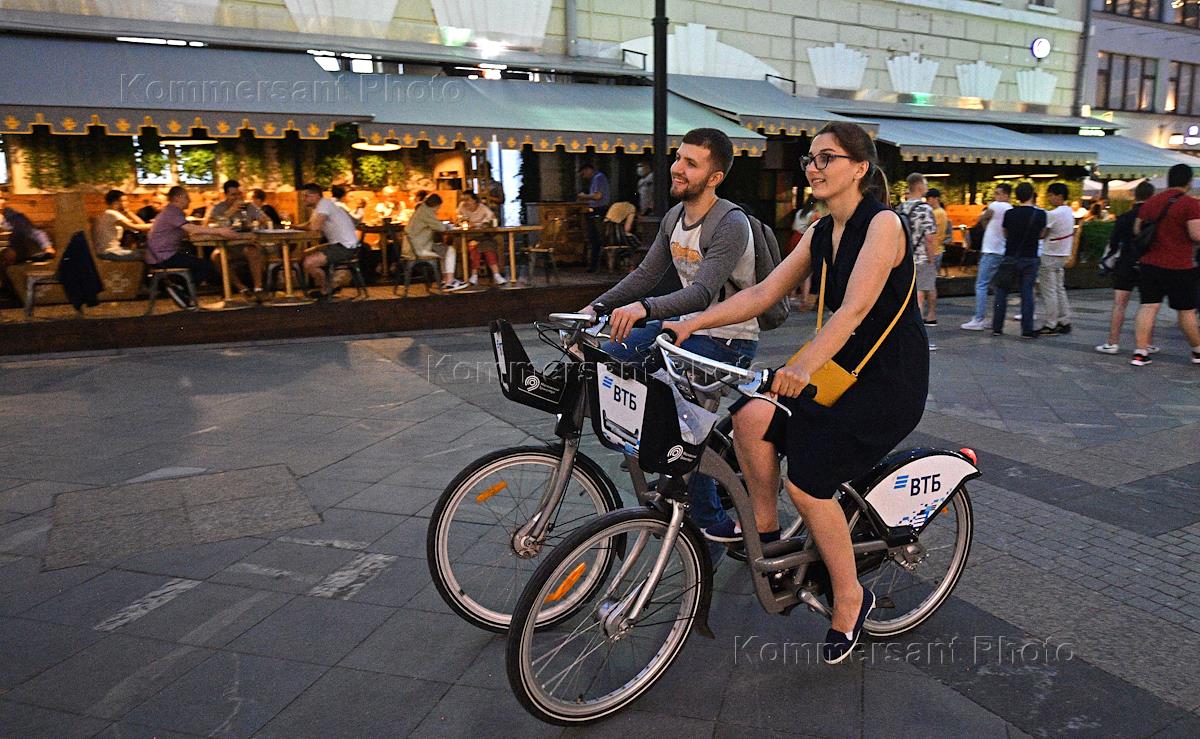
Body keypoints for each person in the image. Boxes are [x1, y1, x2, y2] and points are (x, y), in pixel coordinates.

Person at [666, 121, 927, 663]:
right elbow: (764, 292)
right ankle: (768, 538)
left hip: (888, 378)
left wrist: (802, 366)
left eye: (826, 158)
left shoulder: (883, 225)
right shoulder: (822, 229)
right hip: (838, 366)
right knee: (751, 418)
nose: (814, 167)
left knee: (808, 485)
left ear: (860, 167)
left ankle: (850, 597)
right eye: (810, 158)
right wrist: (694, 322)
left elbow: (854, 310)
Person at [579, 127, 761, 560]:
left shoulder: (730, 223)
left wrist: (644, 308)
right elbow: (646, 274)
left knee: (682, 427)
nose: (678, 168)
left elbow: (701, 293)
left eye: (691, 163)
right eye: (679, 157)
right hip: (684, 328)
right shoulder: (675, 217)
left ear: (714, 177)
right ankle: (658, 455)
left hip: (728, 338)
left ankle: (712, 522)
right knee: (603, 356)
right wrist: (596, 307)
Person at [1130, 163, 1200, 367]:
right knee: (1185, 310)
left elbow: (1137, 230)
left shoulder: (1150, 202)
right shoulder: (1190, 204)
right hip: (1179, 265)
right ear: (1189, 182)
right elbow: (1196, 234)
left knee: (1148, 306)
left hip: (1149, 263)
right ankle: (1197, 350)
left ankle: (1140, 352)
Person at [144, 185, 232, 308]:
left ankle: (181, 290)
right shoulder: (172, 212)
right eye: (186, 197)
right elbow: (191, 229)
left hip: (159, 256)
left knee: (198, 263)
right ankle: (182, 290)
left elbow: (187, 231)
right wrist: (220, 231)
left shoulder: (171, 212)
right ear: (177, 198)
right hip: (162, 258)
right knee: (207, 266)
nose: (189, 200)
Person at [1097, 181, 1157, 355]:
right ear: (1152, 196)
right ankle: (1147, 343)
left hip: (1125, 263)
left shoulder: (1124, 217)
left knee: (1119, 304)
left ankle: (1113, 342)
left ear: (1134, 195)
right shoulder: (1154, 218)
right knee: (1148, 306)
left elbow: (1113, 243)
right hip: (1148, 264)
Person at [992, 182, 1046, 338]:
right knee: (1027, 292)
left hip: (1010, 256)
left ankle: (997, 327)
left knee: (1001, 292)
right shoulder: (1040, 214)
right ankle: (1027, 329)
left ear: (1016, 196)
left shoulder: (1010, 213)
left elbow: (1005, 233)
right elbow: (1042, 234)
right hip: (1030, 257)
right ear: (1032, 195)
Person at [960, 183, 1012, 330]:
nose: (995, 196)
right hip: (1002, 251)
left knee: (981, 284)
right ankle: (995, 319)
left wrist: (985, 224)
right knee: (997, 287)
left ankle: (979, 318)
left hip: (990, 250)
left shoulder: (996, 206)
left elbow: (982, 218)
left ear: (1005, 195)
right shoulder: (1010, 209)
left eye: (998, 193)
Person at [298, 182, 362, 299]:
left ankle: (326, 289)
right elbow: (310, 224)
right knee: (304, 255)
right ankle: (330, 286)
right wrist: (293, 226)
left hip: (345, 247)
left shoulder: (324, 205)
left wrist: (293, 227)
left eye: (306, 196)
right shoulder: (323, 206)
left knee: (309, 262)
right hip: (342, 245)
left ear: (316, 196)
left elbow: (314, 227)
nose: (304, 199)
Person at [206, 180, 267, 299]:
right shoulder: (219, 208)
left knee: (252, 251)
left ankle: (258, 288)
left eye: (239, 194)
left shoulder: (249, 206)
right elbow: (209, 224)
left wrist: (256, 223)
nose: (237, 197)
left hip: (247, 243)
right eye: (233, 195)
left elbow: (266, 220)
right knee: (216, 256)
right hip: (227, 246)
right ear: (226, 195)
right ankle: (241, 288)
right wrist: (231, 211)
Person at [898, 173, 939, 350]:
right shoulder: (925, 209)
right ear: (920, 186)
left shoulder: (900, 208)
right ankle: (917, 341)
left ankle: (905, 338)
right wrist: (932, 260)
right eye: (926, 183)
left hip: (903, 259)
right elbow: (929, 238)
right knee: (919, 297)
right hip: (922, 258)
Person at [1036, 183, 1078, 336]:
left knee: (1049, 290)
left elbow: (1042, 234)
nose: (1049, 198)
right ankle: (1064, 320)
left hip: (1050, 254)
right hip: (1063, 253)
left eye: (1051, 195)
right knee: (1059, 288)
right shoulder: (1069, 212)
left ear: (1059, 196)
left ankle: (1051, 324)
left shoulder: (1053, 214)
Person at [407, 193, 466, 291]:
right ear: (436, 205)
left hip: (413, 246)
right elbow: (441, 228)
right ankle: (450, 281)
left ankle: (445, 279)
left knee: (442, 249)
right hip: (419, 249)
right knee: (450, 250)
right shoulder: (427, 213)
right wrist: (448, 226)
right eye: (438, 207)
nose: (438, 209)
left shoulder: (421, 210)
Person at [457, 191, 506, 286]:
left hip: (482, 235)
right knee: (477, 245)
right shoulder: (461, 207)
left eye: (467, 200)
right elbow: (459, 220)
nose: (465, 202)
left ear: (474, 200)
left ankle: (476, 275)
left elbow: (492, 217)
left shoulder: (482, 208)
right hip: (469, 236)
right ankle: (496, 274)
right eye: (463, 200)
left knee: (484, 246)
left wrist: (483, 224)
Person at [94, 189, 151, 261]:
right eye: (124, 201)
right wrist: (156, 224)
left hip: (113, 250)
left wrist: (128, 212)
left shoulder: (110, 213)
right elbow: (136, 227)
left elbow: (141, 225)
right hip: (109, 252)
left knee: (148, 252)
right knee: (150, 254)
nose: (127, 203)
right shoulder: (111, 213)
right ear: (116, 202)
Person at [577, 161, 611, 272]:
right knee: (594, 238)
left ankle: (594, 265)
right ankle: (593, 264)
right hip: (597, 210)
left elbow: (597, 196)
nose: (584, 177)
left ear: (588, 170)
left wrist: (584, 196)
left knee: (594, 238)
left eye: (583, 174)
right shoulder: (597, 178)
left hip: (598, 211)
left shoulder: (598, 178)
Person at [925, 187, 951, 276]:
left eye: (928, 199)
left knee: (929, 278)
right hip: (936, 249)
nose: (927, 201)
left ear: (935, 199)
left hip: (933, 250)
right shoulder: (939, 212)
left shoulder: (937, 213)